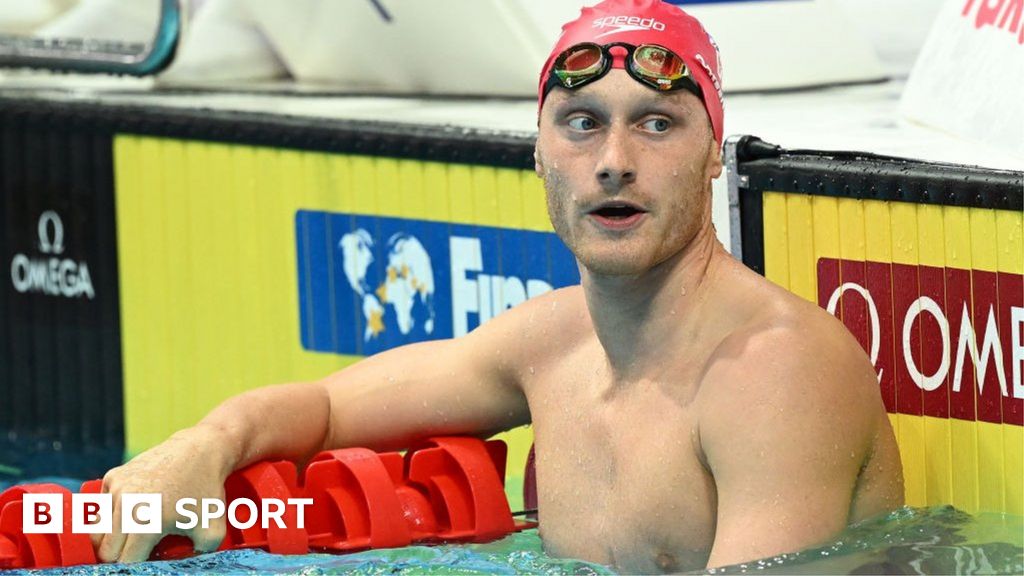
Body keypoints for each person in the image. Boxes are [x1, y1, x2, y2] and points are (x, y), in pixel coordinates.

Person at [95, 0, 904, 571]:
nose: (615, 158)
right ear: (539, 154)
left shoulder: (773, 374)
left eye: (657, 123)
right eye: (581, 122)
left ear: (715, 152)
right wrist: (205, 445)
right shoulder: (550, 347)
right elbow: (330, 410)